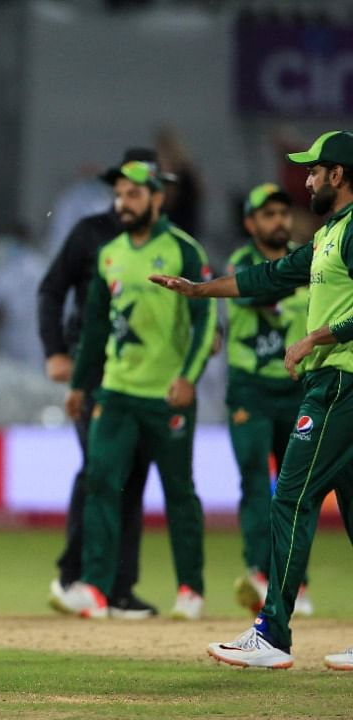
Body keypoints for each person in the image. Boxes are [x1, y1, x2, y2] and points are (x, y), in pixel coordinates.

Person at [154, 130, 353, 670]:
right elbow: (271, 276)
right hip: (338, 383)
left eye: (313, 170)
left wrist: (317, 337)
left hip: (338, 383)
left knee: (288, 498)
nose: (306, 179)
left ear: (337, 175)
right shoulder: (331, 233)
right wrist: (200, 290)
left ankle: (273, 634)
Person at [54, 159, 213, 620]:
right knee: (102, 485)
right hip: (117, 393)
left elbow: (205, 322)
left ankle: (191, 589)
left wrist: (189, 377)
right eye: (119, 194)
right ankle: (98, 589)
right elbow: (95, 330)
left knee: (179, 492)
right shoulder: (109, 255)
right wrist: (81, 386)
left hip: (168, 395)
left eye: (133, 194)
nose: (123, 203)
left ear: (157, 198)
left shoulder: (184, 250)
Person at [37, 148, 172, 619]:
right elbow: (52, 289)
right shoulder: (91, 233)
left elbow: (188, 299)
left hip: (145, 375)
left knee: (132, 475)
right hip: (93, 369)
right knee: (100, 466)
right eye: (123, 189)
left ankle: (118, 588)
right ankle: (75, 575)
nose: (127, 198)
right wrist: (57, 352)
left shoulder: (170, 243)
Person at [223, 183, 313, 618]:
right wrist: (295, 274)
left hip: (299, 389)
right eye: (268, 214)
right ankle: (260, 572)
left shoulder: (308, 257)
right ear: (250, 223)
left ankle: (297, 581)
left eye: (283, 212)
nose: (279, 220)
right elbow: (257, 292)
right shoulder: (241, 264)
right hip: (251, 390)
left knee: (298, 491)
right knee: (255, 481)